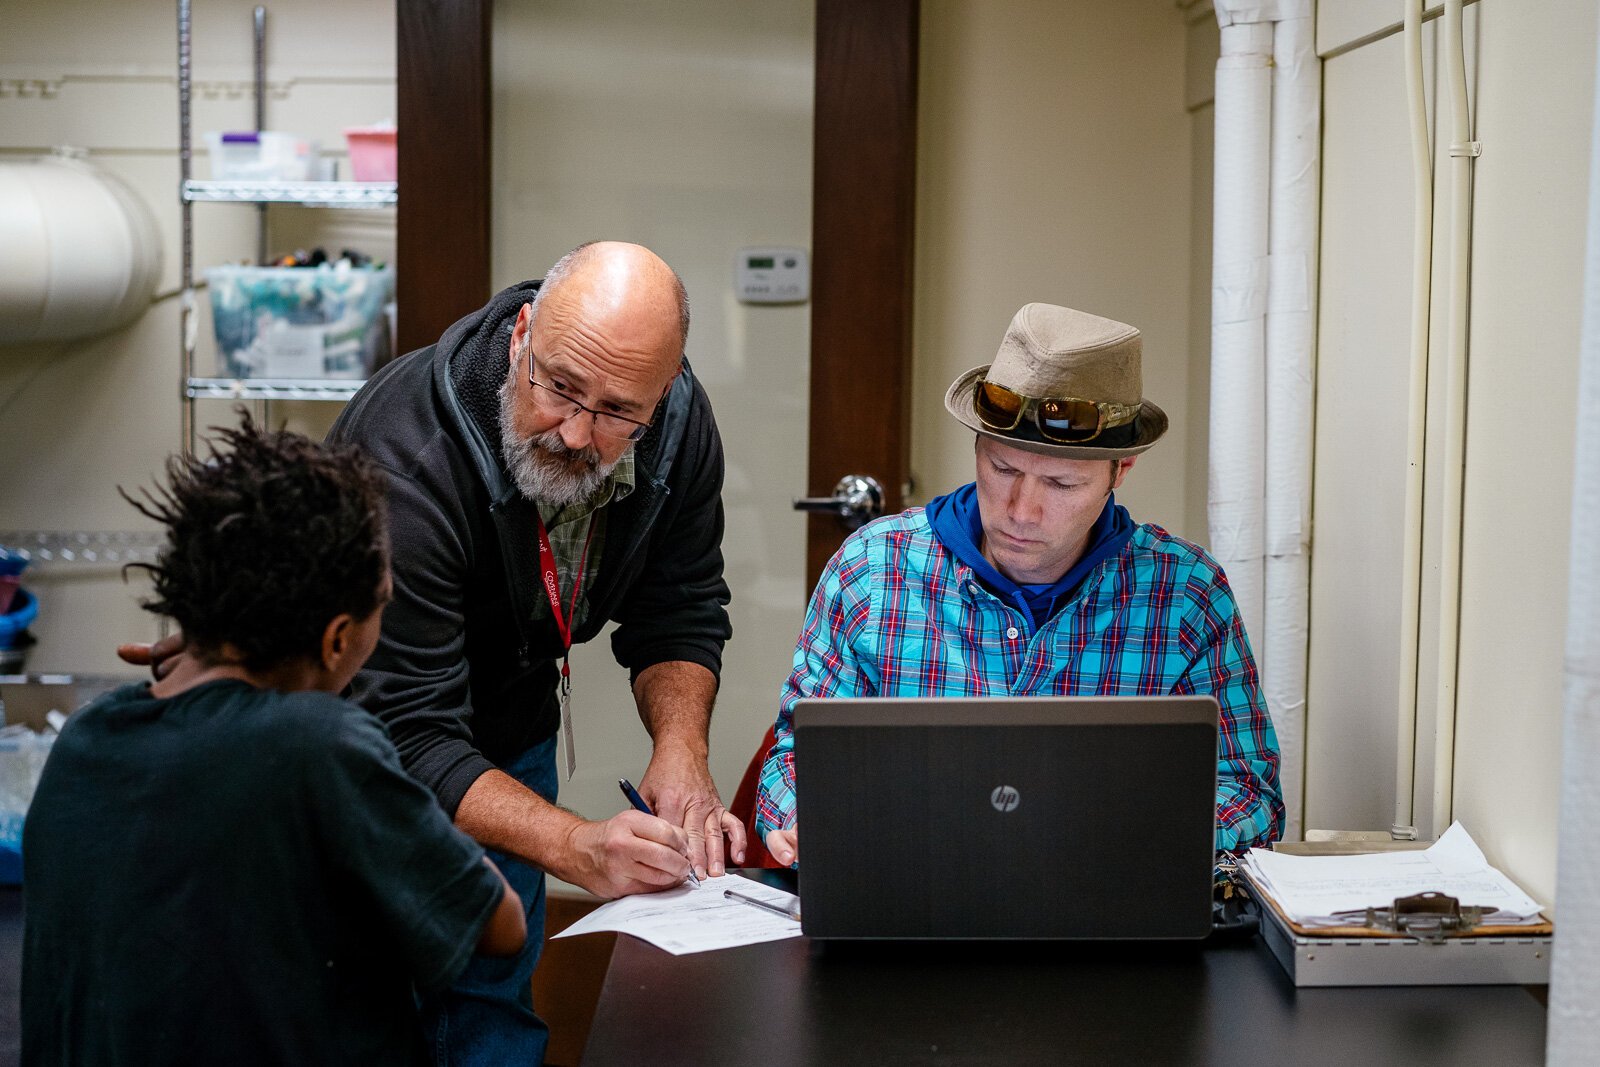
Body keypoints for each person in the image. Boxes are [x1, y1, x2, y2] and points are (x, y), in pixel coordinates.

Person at [323, 240, 745, 1063]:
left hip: (510, 724)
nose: (578, 431)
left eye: (620, 409)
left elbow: (681, 608)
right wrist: (577, 846)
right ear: (522, 336)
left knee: (494, 1004)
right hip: (362, 752)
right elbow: (405, 729)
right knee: (366, 1006)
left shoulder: (681, 427)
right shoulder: (406, 455)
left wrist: (682, 749)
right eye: (559, 387)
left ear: (664, 395)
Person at [24, 420, 527, 1066]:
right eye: (382, 607)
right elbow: (500, 922)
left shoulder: (87, 740)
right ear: (336, 639)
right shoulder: (319, 746)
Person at [755, 303, 1285, 865]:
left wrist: (1126, 832)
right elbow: (793, 759)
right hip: (913, 895)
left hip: (1105, 909)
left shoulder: (1186, 595)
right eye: (1004, 470)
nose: (1022, 511)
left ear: (1119, 471)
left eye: (1061, 484)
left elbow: (1250, 794)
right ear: (978, 447)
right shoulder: (872, 568)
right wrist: (798, 815)